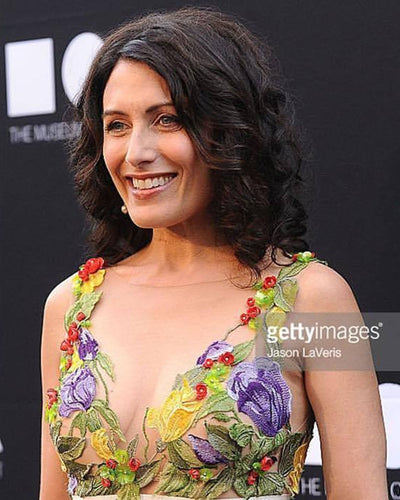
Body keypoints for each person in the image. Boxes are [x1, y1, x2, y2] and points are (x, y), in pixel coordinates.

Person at [39, 6, 388, 500]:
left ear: (229, 130)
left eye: (166, 120)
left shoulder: (316, 299)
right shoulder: (69, 305)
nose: (135, 152)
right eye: (116, 125)